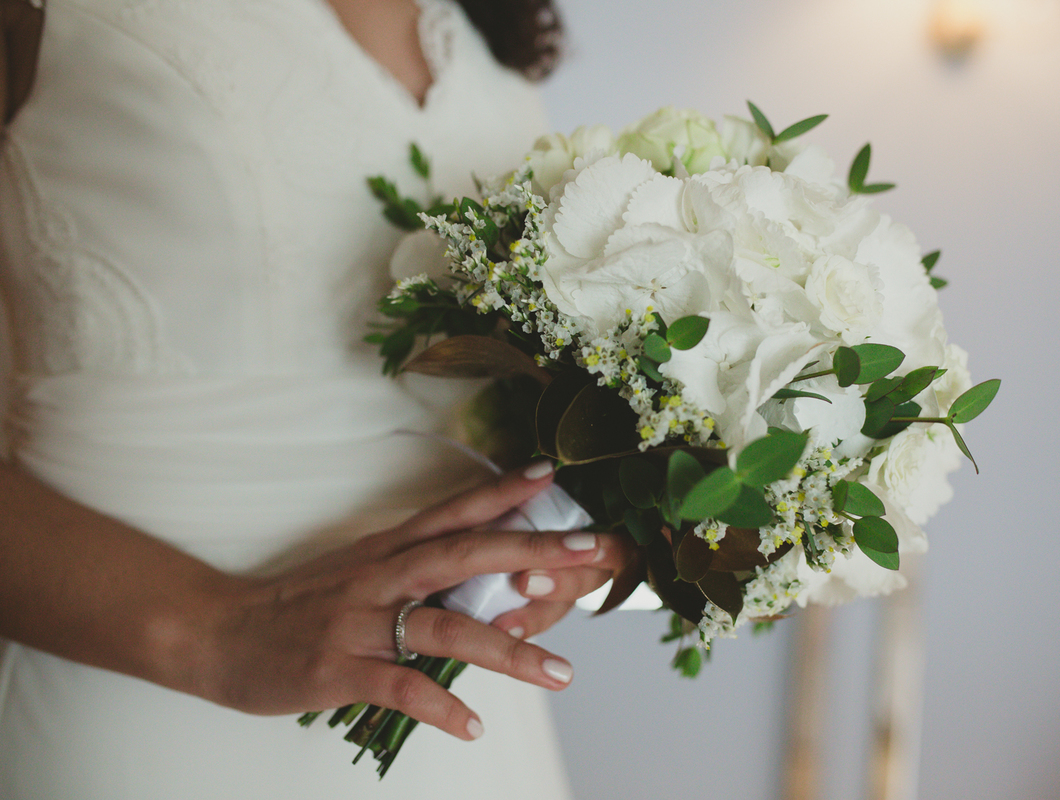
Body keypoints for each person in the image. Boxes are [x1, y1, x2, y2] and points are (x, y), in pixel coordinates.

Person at [0, 0, 627, 797]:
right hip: (133, 691)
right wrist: (210, 633)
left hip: (460, 707)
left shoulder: (483, 28)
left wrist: (551, 542)